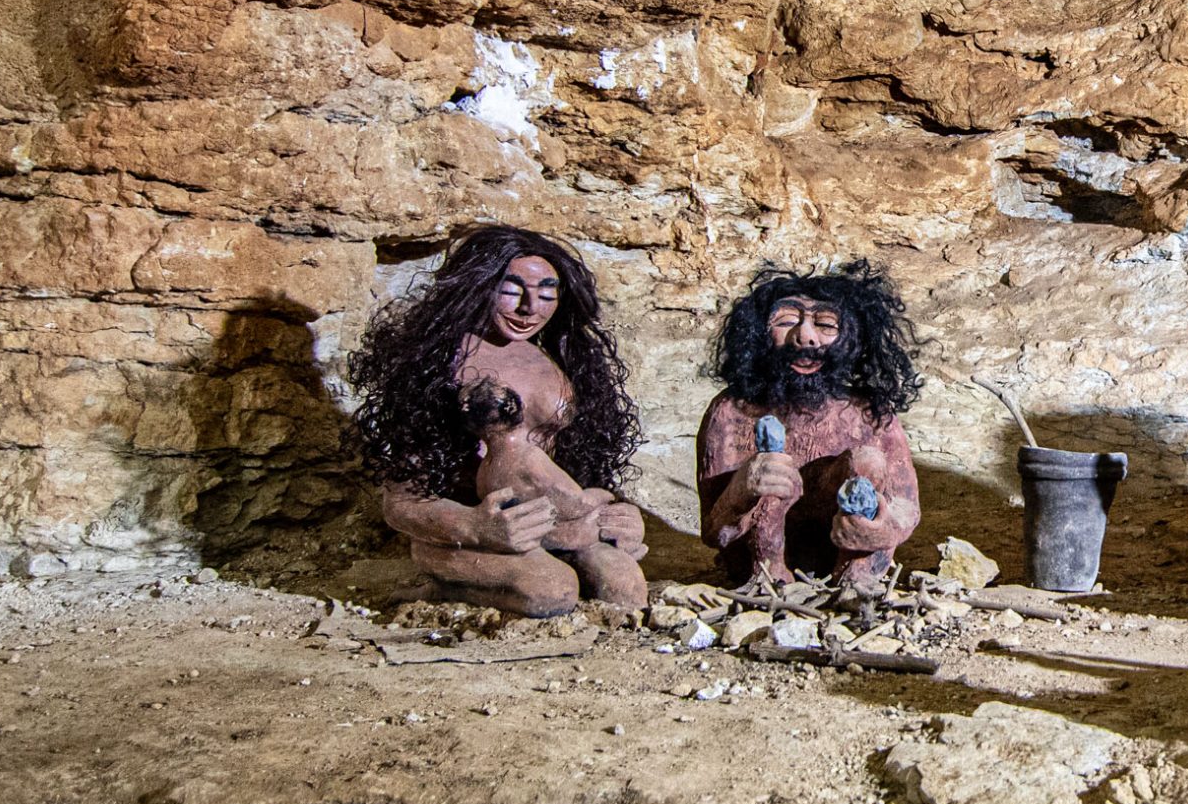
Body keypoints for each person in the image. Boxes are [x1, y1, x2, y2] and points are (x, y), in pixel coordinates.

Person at [346, 226, 647, 616]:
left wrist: (616, 515)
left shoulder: (564, 361)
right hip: (465, 535)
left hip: (552, 526)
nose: (530, 307)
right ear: (479, 285)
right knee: (551, 592)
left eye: (546, 292)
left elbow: (571, 473)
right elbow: (401, 504)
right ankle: (439, 588)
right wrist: (474, 526)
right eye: (512, 289)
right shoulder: (438, 365)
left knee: (625, 590)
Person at [695, 262, 924, 589]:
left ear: (852, 336)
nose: (805, 335)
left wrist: (883, 527)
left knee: (867, 462)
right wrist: (742, 489)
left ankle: (854, 580)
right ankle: (771, 581)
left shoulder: (869, 412)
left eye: (826, 324)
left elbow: (906, 506)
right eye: (786, 321)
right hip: (760, 573)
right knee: (772, 473)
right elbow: (716, 532)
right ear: (757, 334)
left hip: (849, 560)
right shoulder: (731, 412)